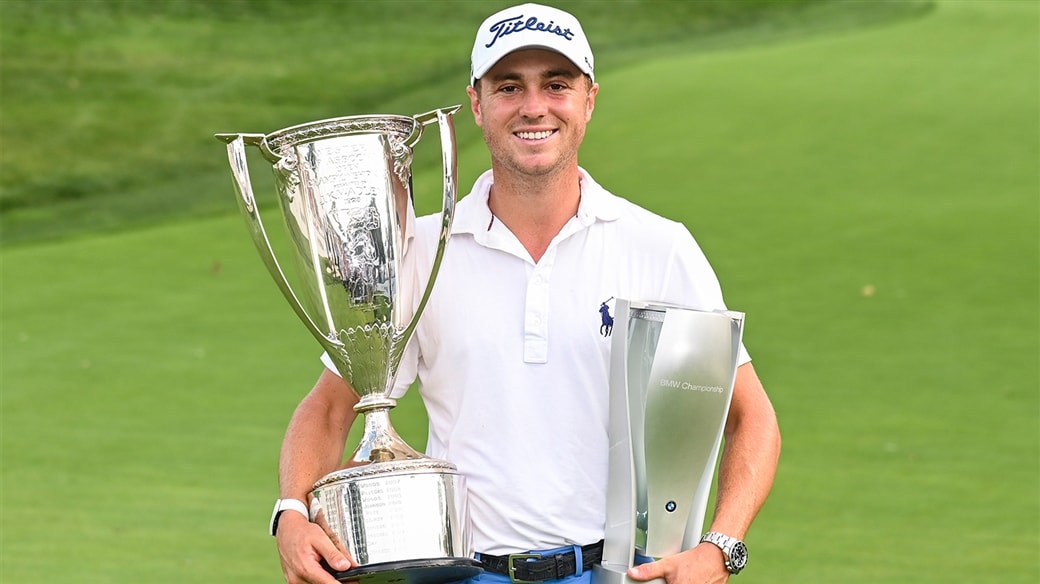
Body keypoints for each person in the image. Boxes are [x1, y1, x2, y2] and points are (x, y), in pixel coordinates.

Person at [271, 4, 781, 584]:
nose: (534, 106)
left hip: (616, 572)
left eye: (556, 85)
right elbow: (333, 404)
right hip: (463, 574)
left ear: (588, 99)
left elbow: (750, 415)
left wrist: (720, 547)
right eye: (509, 86)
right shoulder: (420, 251)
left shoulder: (658, 247)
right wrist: (291, 512)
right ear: (477, 104)